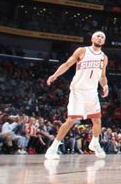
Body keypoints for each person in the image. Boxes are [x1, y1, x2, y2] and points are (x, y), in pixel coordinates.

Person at [44, 31, 109, 160]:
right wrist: (55, 75)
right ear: (92, 38)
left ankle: (95, 144)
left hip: (92, 91)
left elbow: (102, 76)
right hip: (78, 90)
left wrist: (105, 86)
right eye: (98, 36)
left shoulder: (104, 57)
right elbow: (68, 64)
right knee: (71, 120)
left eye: (102, 37)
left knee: (97, 120)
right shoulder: (82, 50)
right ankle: (52, 148)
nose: (100, 38)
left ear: (104, 41)